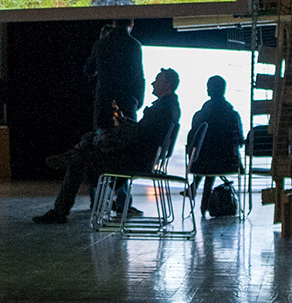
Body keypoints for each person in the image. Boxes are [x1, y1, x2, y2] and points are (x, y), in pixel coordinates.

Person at [33, 67, 181, 224]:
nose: (152, 83)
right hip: (138, 157)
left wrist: (121, 129)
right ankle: (73, 158)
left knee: (80, 158)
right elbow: (143, 133)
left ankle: (59, 211)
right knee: (90, 142)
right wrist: (125, 123)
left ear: (167, 84)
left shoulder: (163, 109)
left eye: (157, 80)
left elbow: (139, 136)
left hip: (134, 160)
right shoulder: (168, 107)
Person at [185, 75, 244, 208]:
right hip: (230, 163)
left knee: (209, 159)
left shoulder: (201, 116)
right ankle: (199, 197)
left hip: (202, 164)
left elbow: (193, 141)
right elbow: (240, 141)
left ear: (210, 90)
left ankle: (196, 192)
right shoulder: (233, 115)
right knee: (213, 159)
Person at [83, 18, 143, 129]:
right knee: (125, 138)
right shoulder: (134, 45)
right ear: (131, 24)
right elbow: (138, 76)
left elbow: (88, 70)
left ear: (114, 23)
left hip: (104, 100)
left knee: (102, 139)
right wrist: (138, 101)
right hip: (127, 100)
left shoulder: (101, 44)